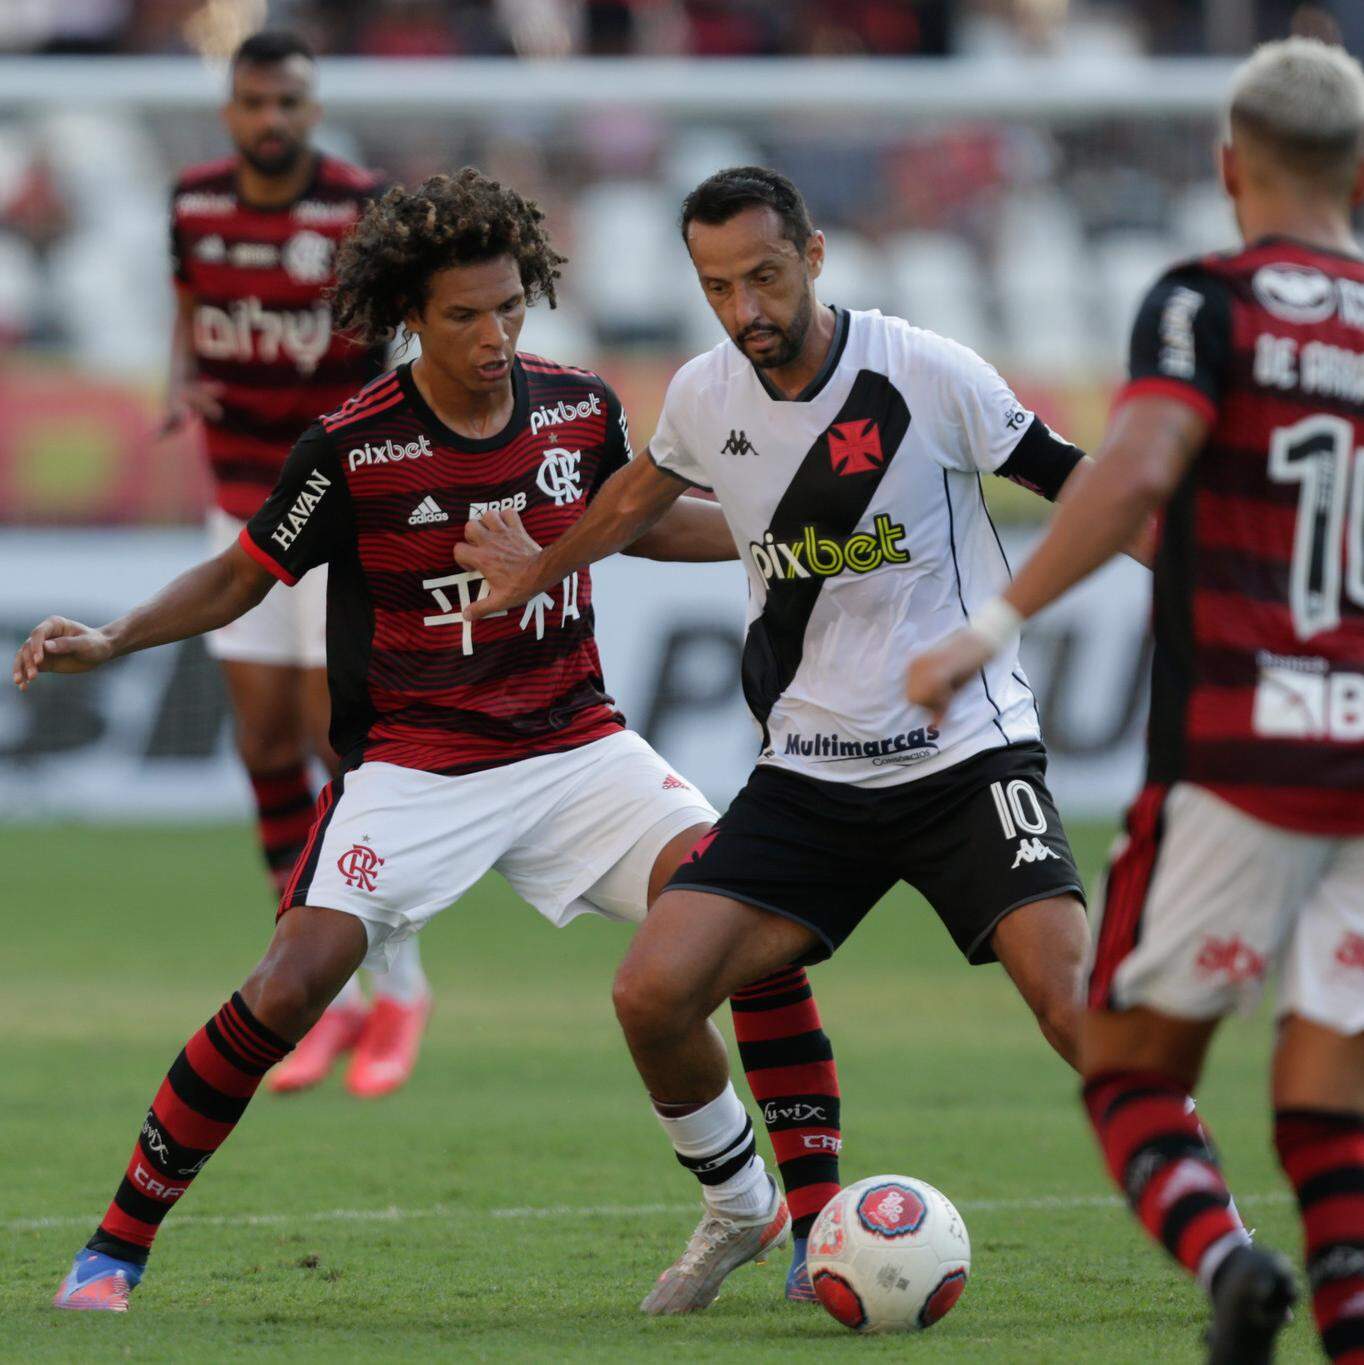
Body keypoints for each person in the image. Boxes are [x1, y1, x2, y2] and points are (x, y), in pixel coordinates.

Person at [20, 168, 844, 1313]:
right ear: (410, 314)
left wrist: (788, 533)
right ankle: (114, 1247)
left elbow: (642, 526)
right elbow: (235, 576)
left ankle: (799, 1222)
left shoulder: (577, 406)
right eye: (464, 315)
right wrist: (112, 640)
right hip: (418, 763)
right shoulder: (352, 447)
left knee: (741, 922)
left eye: (509, 305)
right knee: (291, 981)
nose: (495, 334)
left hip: (576, 748)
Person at [455, 165, 1245, 1316]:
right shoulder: (702, 396)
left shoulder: (925, 373)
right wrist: (539, 565)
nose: (745, 311)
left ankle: (1218, 1234)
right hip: (807, 780)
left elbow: (1083, 491)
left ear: (814, 256)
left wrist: (1225, 600)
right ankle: (742, 1208)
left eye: (764, 279)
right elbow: (637, 502)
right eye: (718, 287)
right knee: (649, 995)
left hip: (965, 760)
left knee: (1074, 1007)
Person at [906, 37, 1364, 1365]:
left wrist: (992, 621)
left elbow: (1140, 461)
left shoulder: (1203, 301)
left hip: (1244, 752)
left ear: (1229, 169)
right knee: (1326, 1099)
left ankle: (1227, 1260)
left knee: (1127, 1066)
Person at [167, 28, 429, 1098]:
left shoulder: (360, 207)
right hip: (236, 504)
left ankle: (397, 978)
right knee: (265, 742)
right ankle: (316, 977)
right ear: (230, 111)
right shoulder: (192, 206)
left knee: (341, 745)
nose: (271, 120)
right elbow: (189, 312)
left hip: (334, 508)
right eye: (254, 103)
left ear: (311, 110)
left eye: (289, 102)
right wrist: (174, 383)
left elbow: (398, 347)